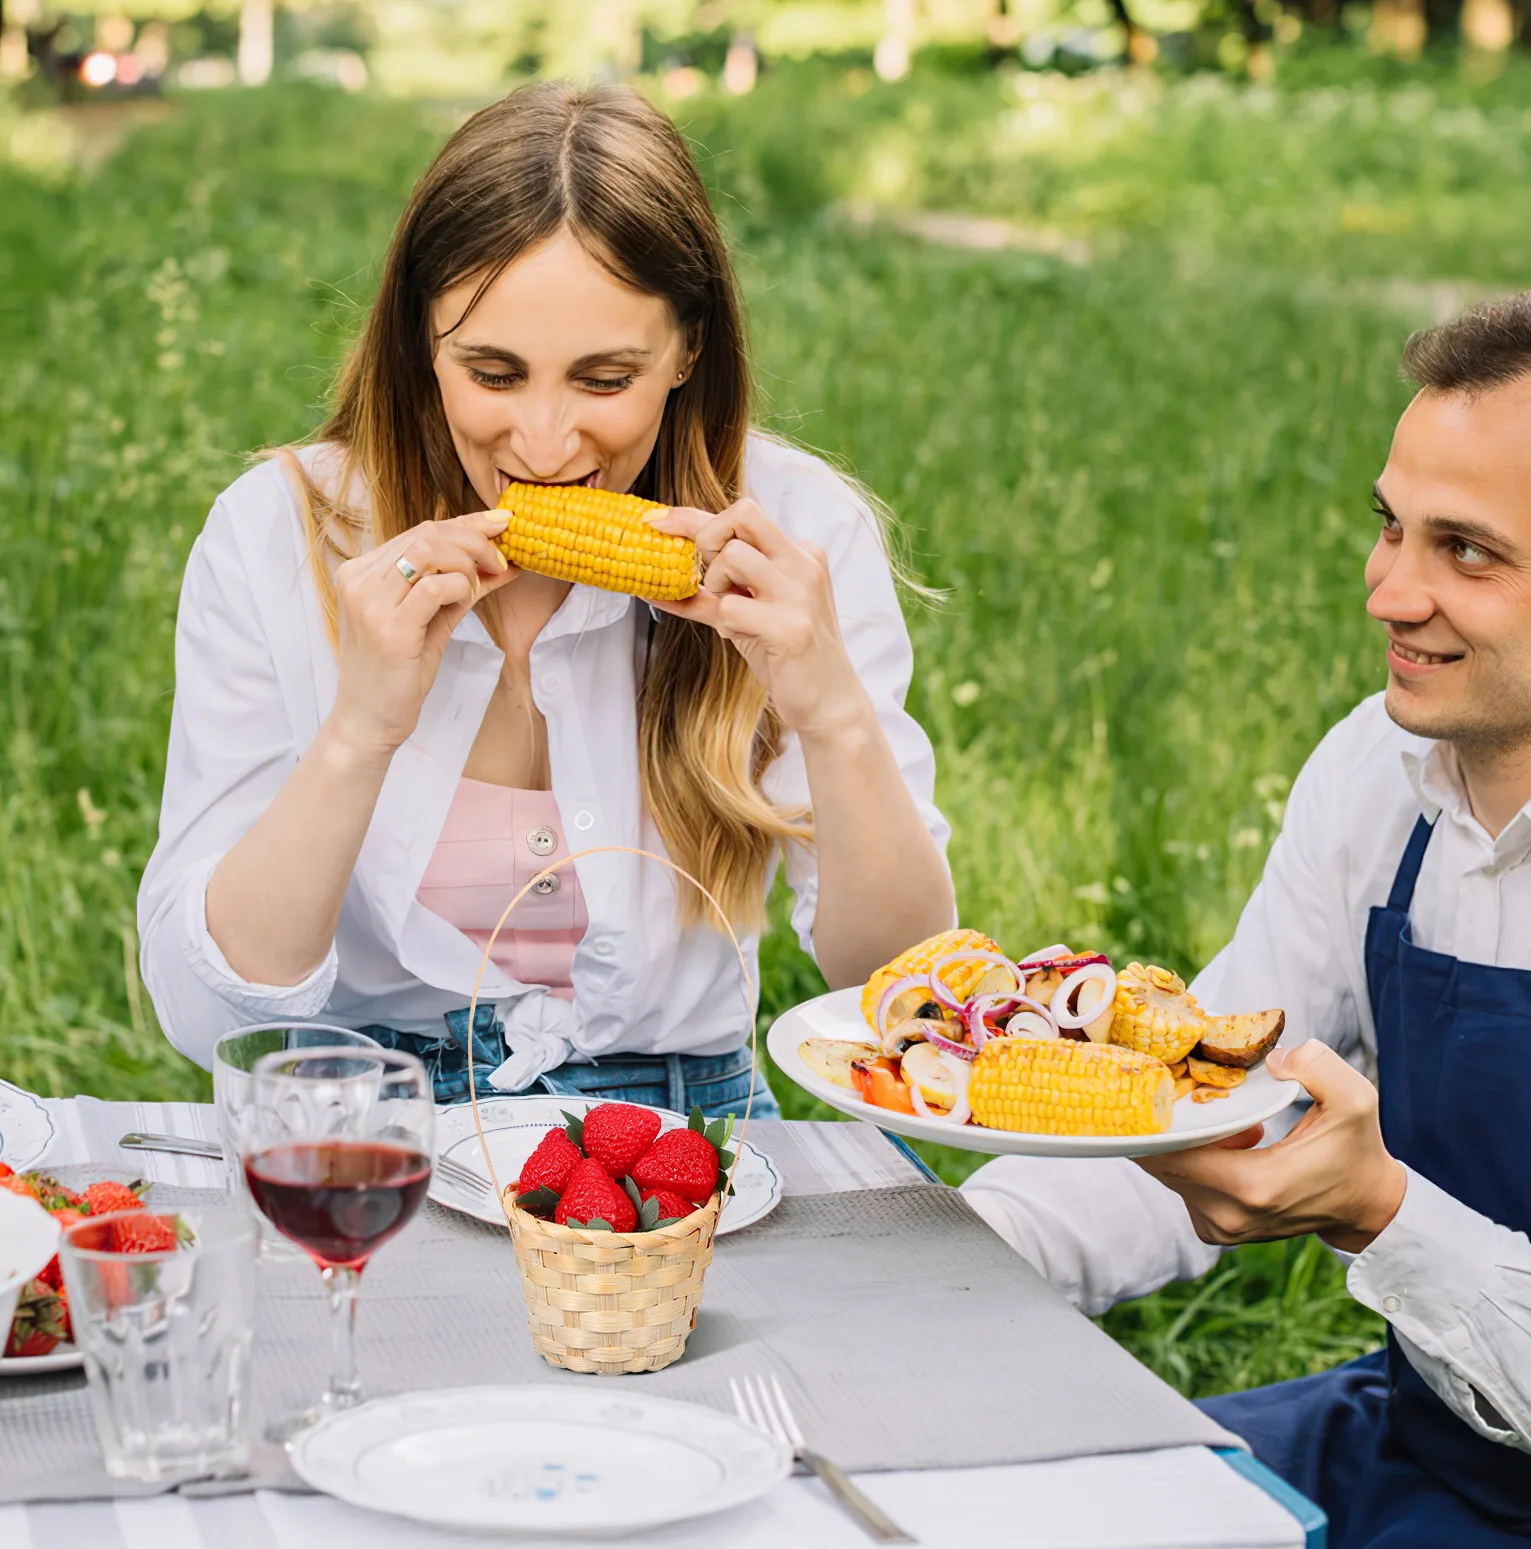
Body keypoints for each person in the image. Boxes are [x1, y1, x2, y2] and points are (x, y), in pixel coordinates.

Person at [136, 82, 953, 1113]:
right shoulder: (278, 533)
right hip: (364, 1119)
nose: (544, 442)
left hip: (679, 1128)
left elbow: (907, 996)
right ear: (420, 344)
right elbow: (208, 1018)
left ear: (688, 348)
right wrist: (358, 731)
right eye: (493, 373)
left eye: (605, 379)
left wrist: (830, 716)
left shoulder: (793, 531)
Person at [965, 289, 1531, 1549]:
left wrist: (1381, 1214)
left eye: (1465, 552)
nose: (1388, 589)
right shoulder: (1385, 767)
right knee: (981, 1548)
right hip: (1409, 1449)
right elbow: (1208, 1096)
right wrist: (944, 1272)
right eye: (1389, 523)